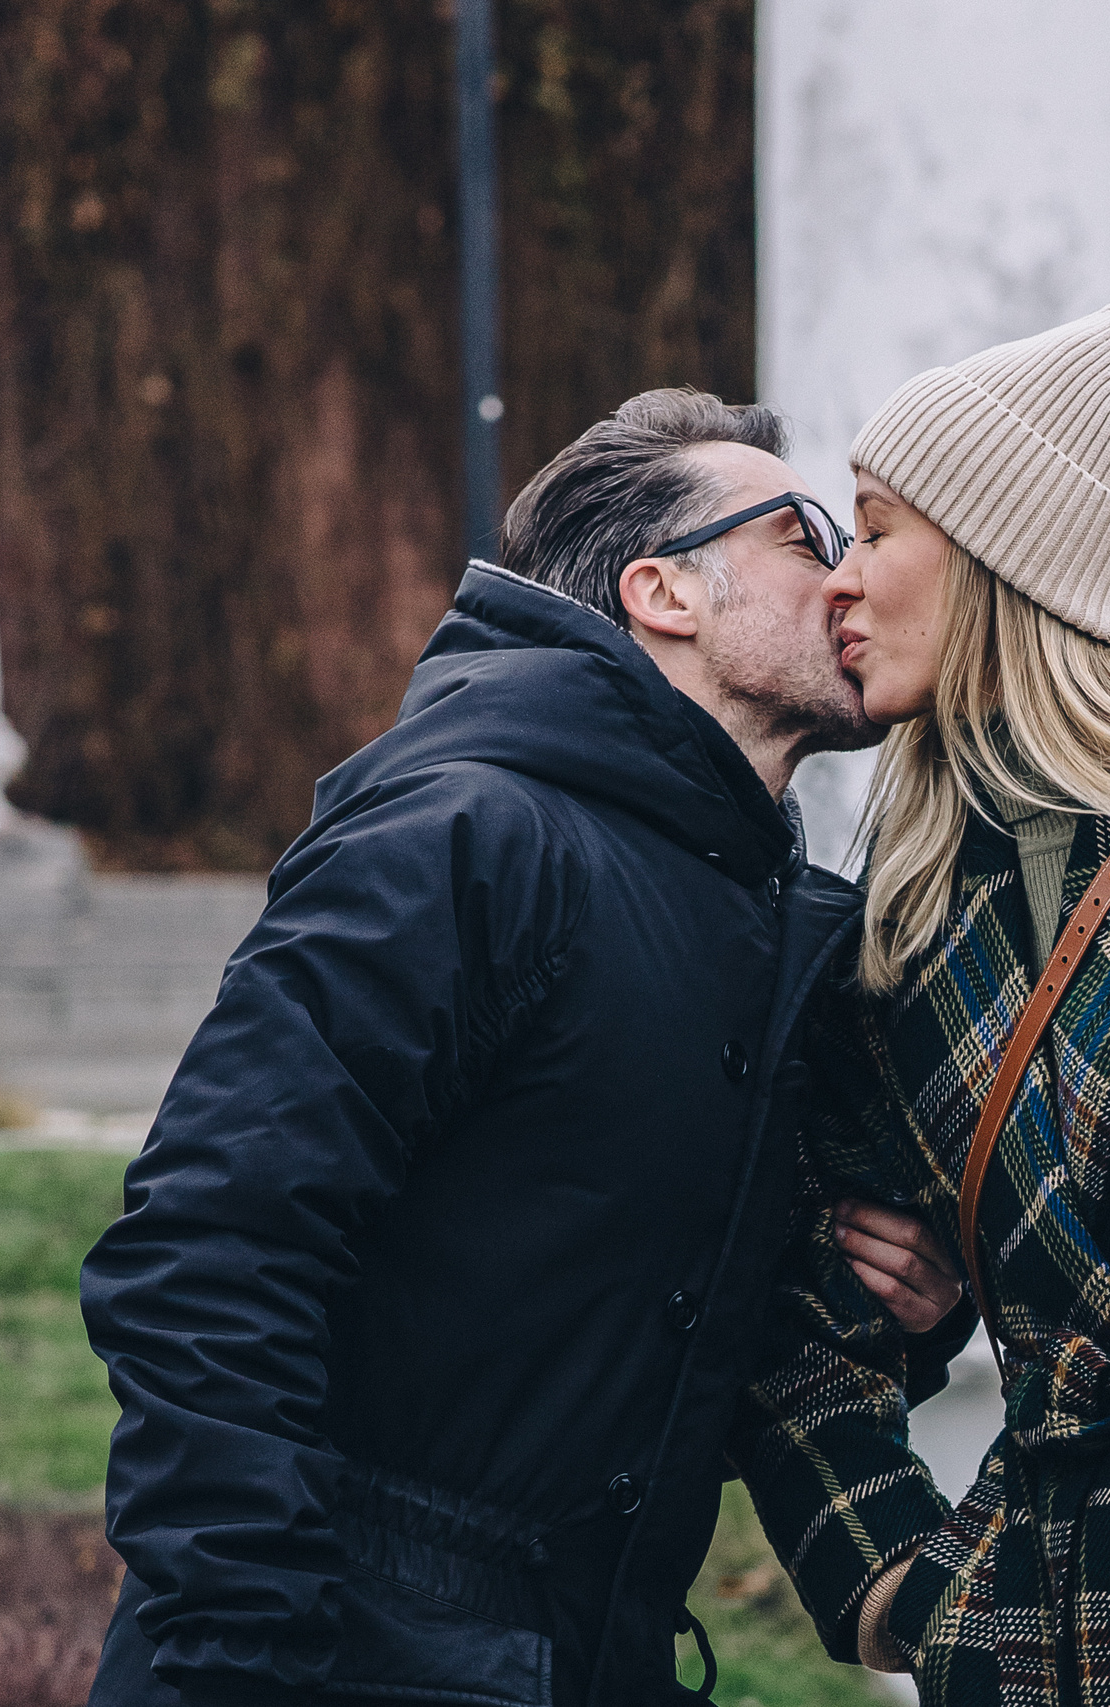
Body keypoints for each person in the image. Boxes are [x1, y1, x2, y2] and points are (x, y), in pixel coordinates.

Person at [81, 390, 965, 1707]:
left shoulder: (755, 913)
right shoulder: (464, 836)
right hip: (336, 1656)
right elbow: (212, 1244)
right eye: (802, 533)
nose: (849, 577)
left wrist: (902, 1312)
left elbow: (643, 1333)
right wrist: (238, 1641)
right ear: (666, 591)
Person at [726, 292, 1110, 1707]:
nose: (839, 580)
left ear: (1007, 559)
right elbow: (805, 1316)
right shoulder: (911, 895)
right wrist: (888, 1581)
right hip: (1027, 1635)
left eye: (876, 530)